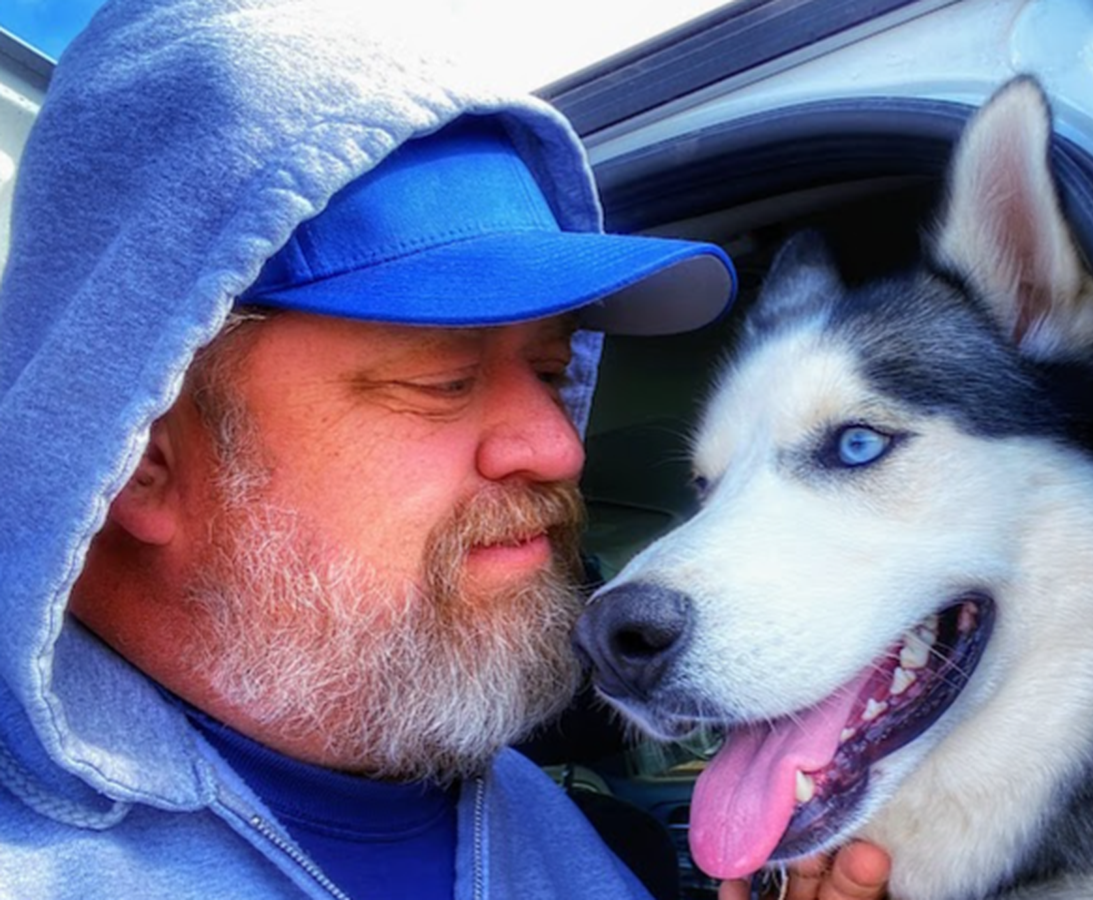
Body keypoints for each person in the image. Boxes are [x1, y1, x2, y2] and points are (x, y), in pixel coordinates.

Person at [0, 0, 890, 897]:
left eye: (551, 371)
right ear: (142, 457)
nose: (559, 448)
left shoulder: (557, 834)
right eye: (445, 382)